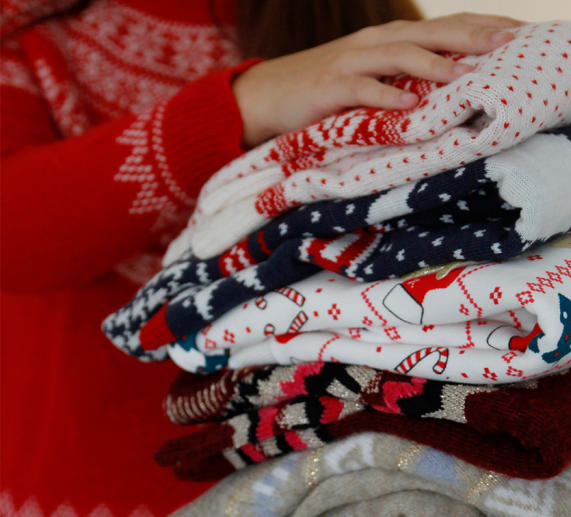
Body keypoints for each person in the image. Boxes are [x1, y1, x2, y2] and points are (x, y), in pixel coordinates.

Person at [0, 1, 522, 514]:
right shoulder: (28, 23)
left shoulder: (356, 17)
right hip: (76, 484)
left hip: (335, 483)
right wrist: (242, 106)